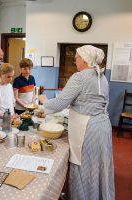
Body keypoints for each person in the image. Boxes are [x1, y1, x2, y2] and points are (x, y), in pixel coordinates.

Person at [39, 45, 115, 200]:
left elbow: (59, 103)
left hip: (87, 129)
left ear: (85, 59)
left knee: (84, 167)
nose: (75, 61)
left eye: (76, 58)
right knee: (98, 166)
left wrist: (44, 101)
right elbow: (90, 100)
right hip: (103, 127)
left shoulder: (80, 77)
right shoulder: (102, 77)